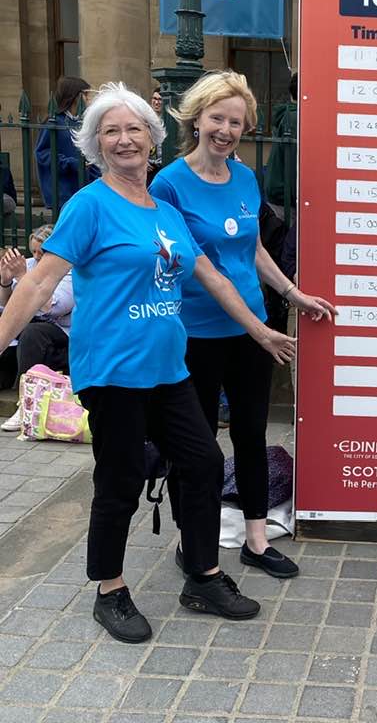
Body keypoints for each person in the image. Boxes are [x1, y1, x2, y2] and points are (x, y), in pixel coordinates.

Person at [0, 82, 295, 645]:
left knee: (203, 462)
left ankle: (202, 575)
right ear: (96, 144)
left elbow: (211, 276)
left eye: (134, 129)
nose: (124, 140)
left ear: (151, 137)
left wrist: (260, 330)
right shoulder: (90, 205)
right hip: (113, 370)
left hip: (168, 368)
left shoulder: (164, 211)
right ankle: (109, 590)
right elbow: (39, 283)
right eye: (110, 131)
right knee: (120, 478)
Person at [150, 69, 334, 580]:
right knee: (198, 443)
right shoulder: (169, 184)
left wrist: (293, 294)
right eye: (217, 118)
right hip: (197, 335)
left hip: (253, 330)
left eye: (236, 122)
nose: (226, 130)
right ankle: (193, 539)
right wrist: (259, 327)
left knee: (252, 433)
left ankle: (256, 540)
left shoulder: (246, 178)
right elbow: (197, 268)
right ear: (196, 119)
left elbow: (252, 249)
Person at [0, 225, 73, 418]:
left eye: (42, 252)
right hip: (24, 337)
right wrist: (5, 282)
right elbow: (6, 307)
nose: (37, 257)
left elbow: (54, 307)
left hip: (60, 336)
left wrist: (22, 277)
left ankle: (25, 402)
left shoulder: (69, 269)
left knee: (34, 332)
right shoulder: (29, 264)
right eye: (33, 251)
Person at [34, 75, 97, 210]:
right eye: (85, 94)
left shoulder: (83, 122)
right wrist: (70, 163)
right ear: (75, 96)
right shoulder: (54, 122)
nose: (88, 99)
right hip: (63, 191)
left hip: (85, 189)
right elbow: (42, 154)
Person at [264, 71, 297, 220]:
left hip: (278, 192)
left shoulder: (287, 114)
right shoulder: (296, 118)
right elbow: (294, 164)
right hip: (286, 197)